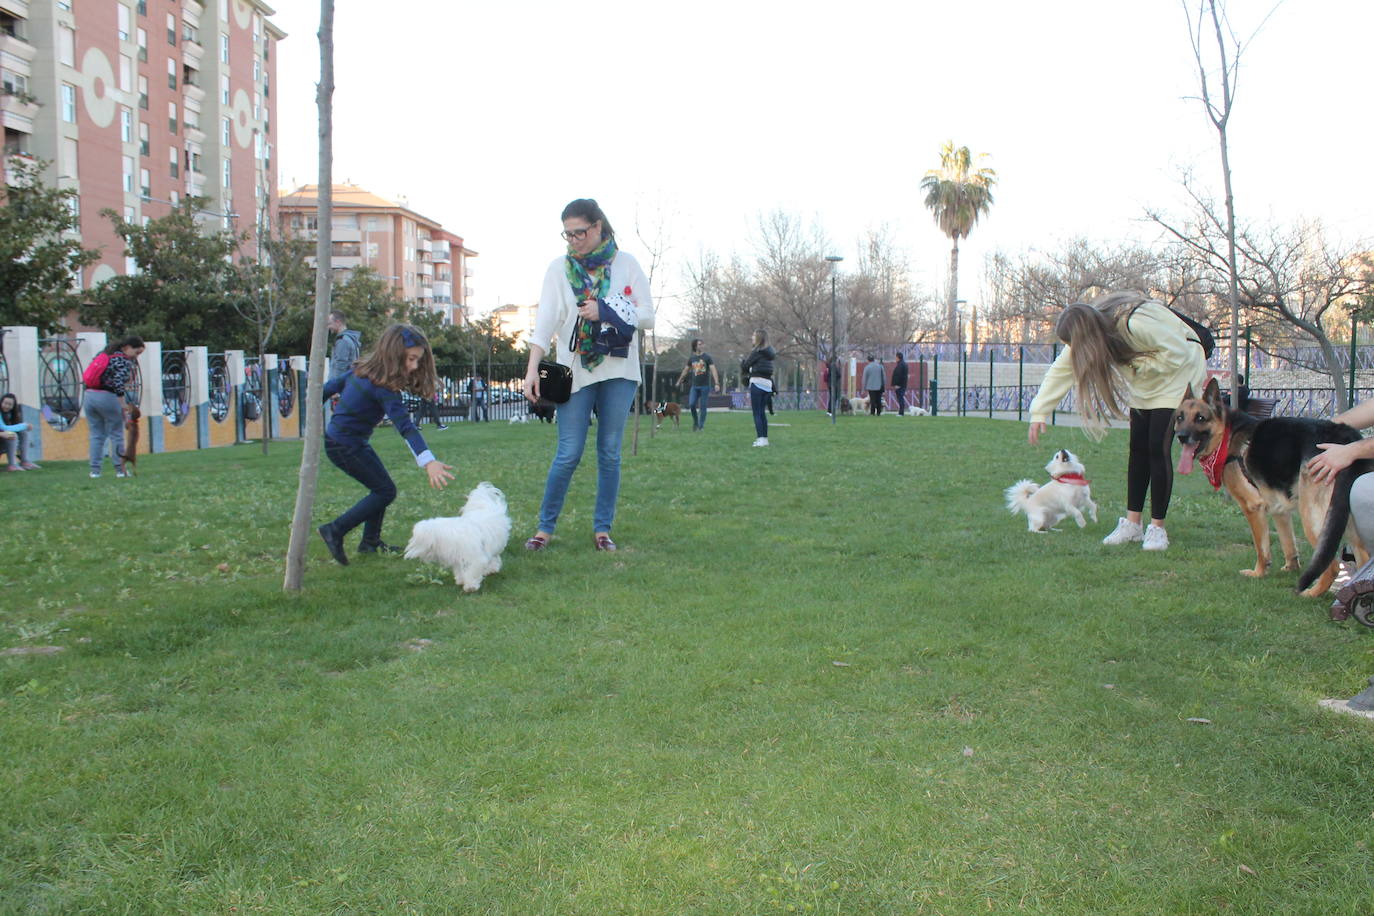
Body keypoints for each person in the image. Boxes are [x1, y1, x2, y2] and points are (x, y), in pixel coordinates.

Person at [1027, 290, 1208, 552]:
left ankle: (1157, 529)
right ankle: (1132, 524)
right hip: (1146, 381)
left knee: (1157, 447)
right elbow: (1061, 369)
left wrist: (1139, 367)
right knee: (1137, 450)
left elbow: (1177, 352)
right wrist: (1039, 411)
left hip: (1179, 372)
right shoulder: (1093, 334)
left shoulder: (1134, 322)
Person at [521, 198, 654, 552]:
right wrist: (532, 368)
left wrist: (606, 309)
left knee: (609, 452)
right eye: (568, 234)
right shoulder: (558, 269)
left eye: (580, 232)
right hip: (572, 370)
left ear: (598, 227)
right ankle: (544, 529)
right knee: (568, 452)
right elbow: (544, 323)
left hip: (619, 370)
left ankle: (602, 530)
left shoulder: (626, 264)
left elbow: (647, 315)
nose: (574, 240)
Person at [317, 324, 455, 564]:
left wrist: (312, 399)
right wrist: (428, 461)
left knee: (381, 488)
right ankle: (335, 530)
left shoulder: (361, 372)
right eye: (411, 359)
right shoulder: (383, 388)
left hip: (348, 442)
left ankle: (370, 543)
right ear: (394, 353)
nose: (413, 366)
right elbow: (406, 427)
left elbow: (329, 388)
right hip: (344, 446)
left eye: (417, 361)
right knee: (384, 491)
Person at [84, 336, 144, 479]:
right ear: (127, 348)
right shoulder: (123, 360)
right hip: (107, 397)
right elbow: (118, 382)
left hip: (89, 396)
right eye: (136, 352)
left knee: (96, 435)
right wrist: (122, 403)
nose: (136, 357)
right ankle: (120, 470)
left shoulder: (103, 354)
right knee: (116, 434)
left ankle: (95, 471)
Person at [741, 329, 776, 447]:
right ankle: (764, 438)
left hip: (756, 383)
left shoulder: (756, 352)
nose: (752, 337)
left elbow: (746, 365)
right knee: (762, 413)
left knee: (756, 413)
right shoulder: (769, 353)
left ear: (758, 338)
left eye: (753, 335)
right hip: (767, 385)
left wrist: (744, 364)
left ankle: (760, 438)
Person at [675, 338, 719, 431]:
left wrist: (717, 383)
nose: (702, 346)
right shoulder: (692, 358)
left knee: (703, 406)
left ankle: (701, 426)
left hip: (705, 386)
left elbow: (713, 370)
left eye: (702, 344)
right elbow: (685, 370)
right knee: (691, 404)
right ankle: (695, 422)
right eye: (699, 344)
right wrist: (679, 381)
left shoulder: (707, 357)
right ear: (695, 346)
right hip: (694, 386)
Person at [1, 392, 39, 471]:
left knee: (23, 432)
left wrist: (24, 427)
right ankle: (12, 465)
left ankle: (24, 461)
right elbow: (4, 427)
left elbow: (12, 427)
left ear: (13, 406)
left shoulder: (11, 414)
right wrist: (24, 425)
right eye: (5, 403)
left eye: (10, 404)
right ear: (1, 402)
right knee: (11, 434)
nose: (7, 406)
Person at [327, 311, 361, 381]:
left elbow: (340, 366)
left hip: (340, 386)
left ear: (338, 322)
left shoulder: (343, 341)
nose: (328, 327)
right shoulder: (351, 338)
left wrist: (335, 386)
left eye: (330, 324)